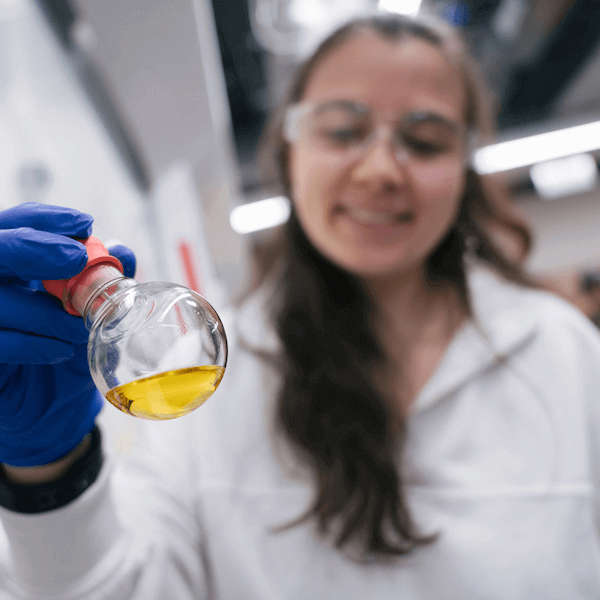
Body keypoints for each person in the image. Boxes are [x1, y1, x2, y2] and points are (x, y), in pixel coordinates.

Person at [1, 12, 600, 599]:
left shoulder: (565, 353)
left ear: (463, 171)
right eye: (342, 130)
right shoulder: (206, 369)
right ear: (290, 150)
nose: (380, 170)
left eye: (424, 140)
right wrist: (50, 470)